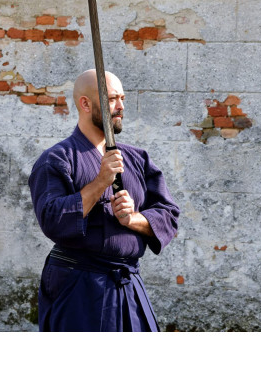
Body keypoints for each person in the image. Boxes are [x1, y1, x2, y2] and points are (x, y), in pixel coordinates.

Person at [28, 69, 180, 332]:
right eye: (111, 99)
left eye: (122, 98)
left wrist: (134, 219)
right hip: (78, 286)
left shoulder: (137, 159)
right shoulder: (57, 160)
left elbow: (168, 215)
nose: (120, 106)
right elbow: (52, 220)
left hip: (128, 283)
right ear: (85, 104)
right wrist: (100, 182)